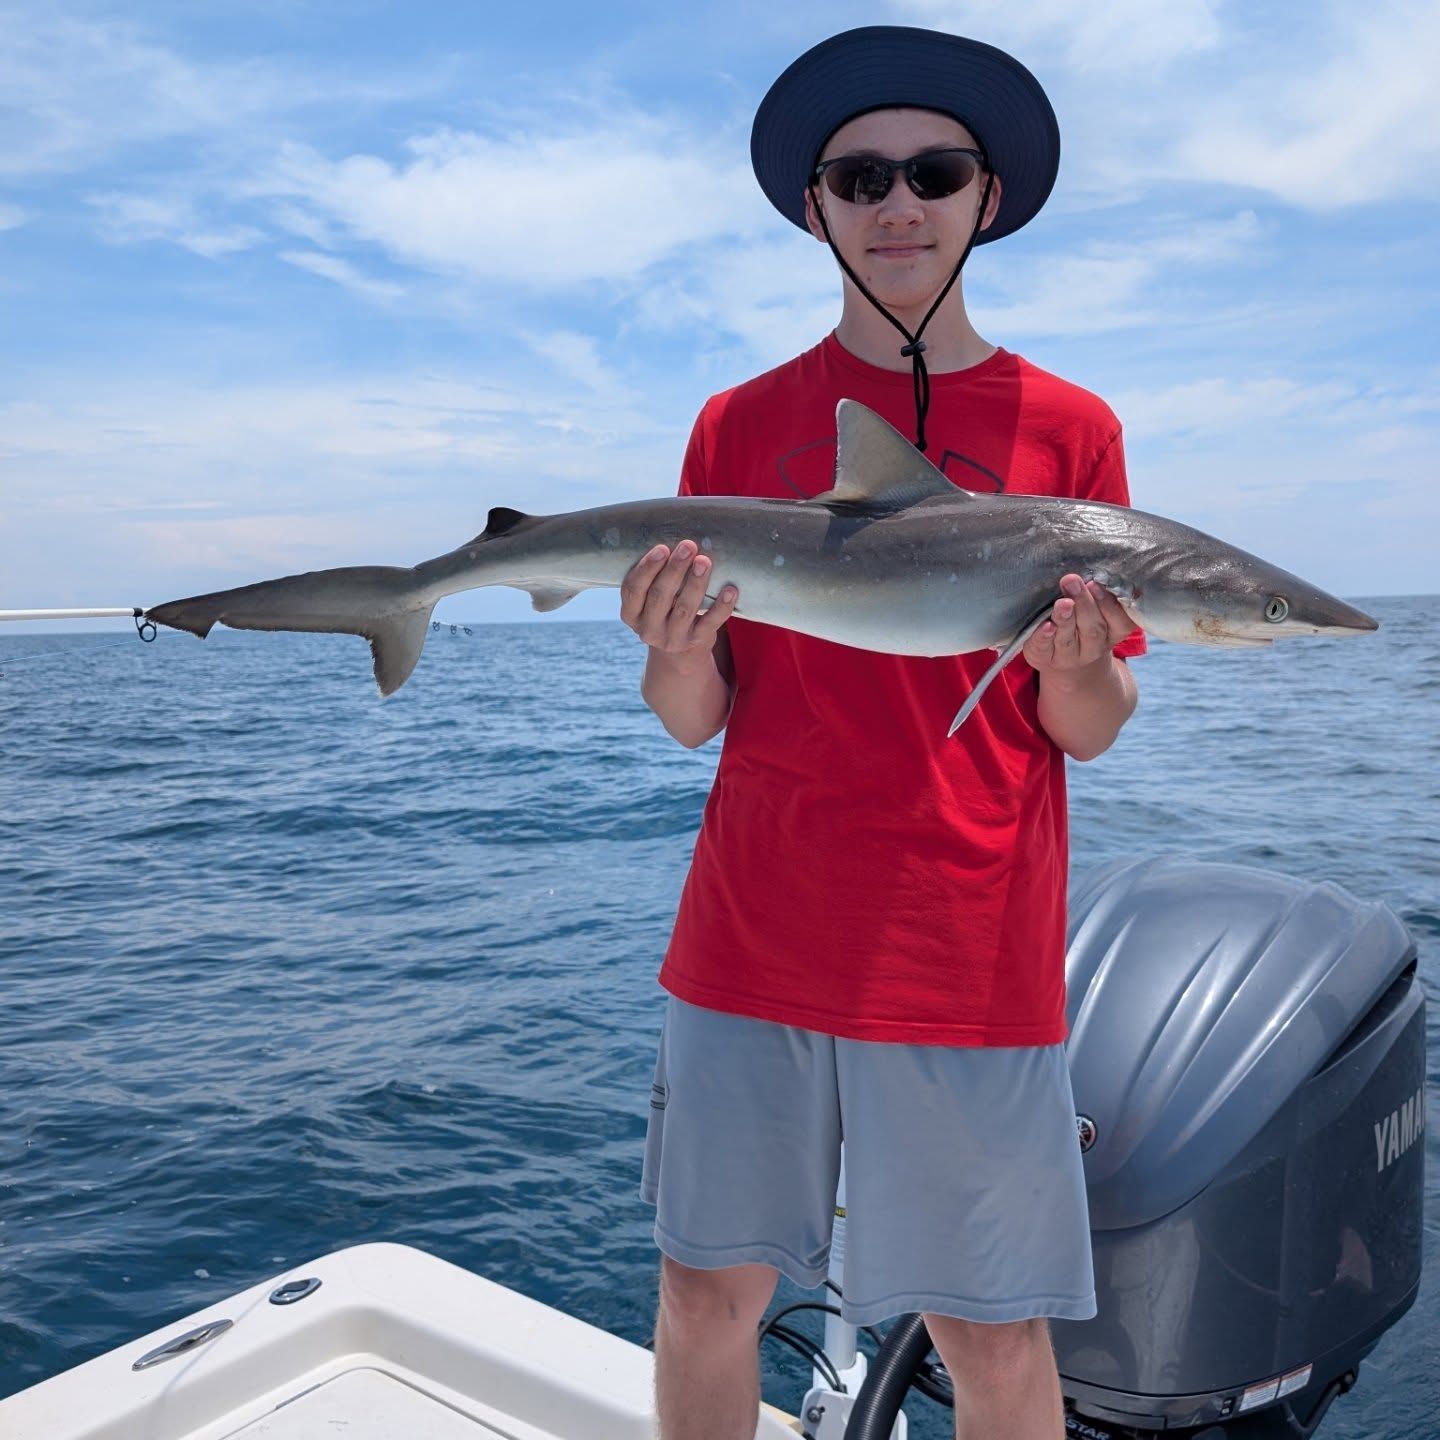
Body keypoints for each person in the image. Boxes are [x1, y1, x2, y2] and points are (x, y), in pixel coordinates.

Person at [621, 26, 1145, 1440]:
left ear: (988, 198)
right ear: (816, 209)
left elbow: (1089, 727)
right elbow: (695, 717)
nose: (897, 204)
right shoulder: (737, 425)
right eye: (860, 177)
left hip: (966, 943)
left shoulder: (1070, 430)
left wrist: (1078, 666)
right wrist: (672, 650)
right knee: (705, 1296)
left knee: (995, 1338)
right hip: (753, 930)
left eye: (934, 172)